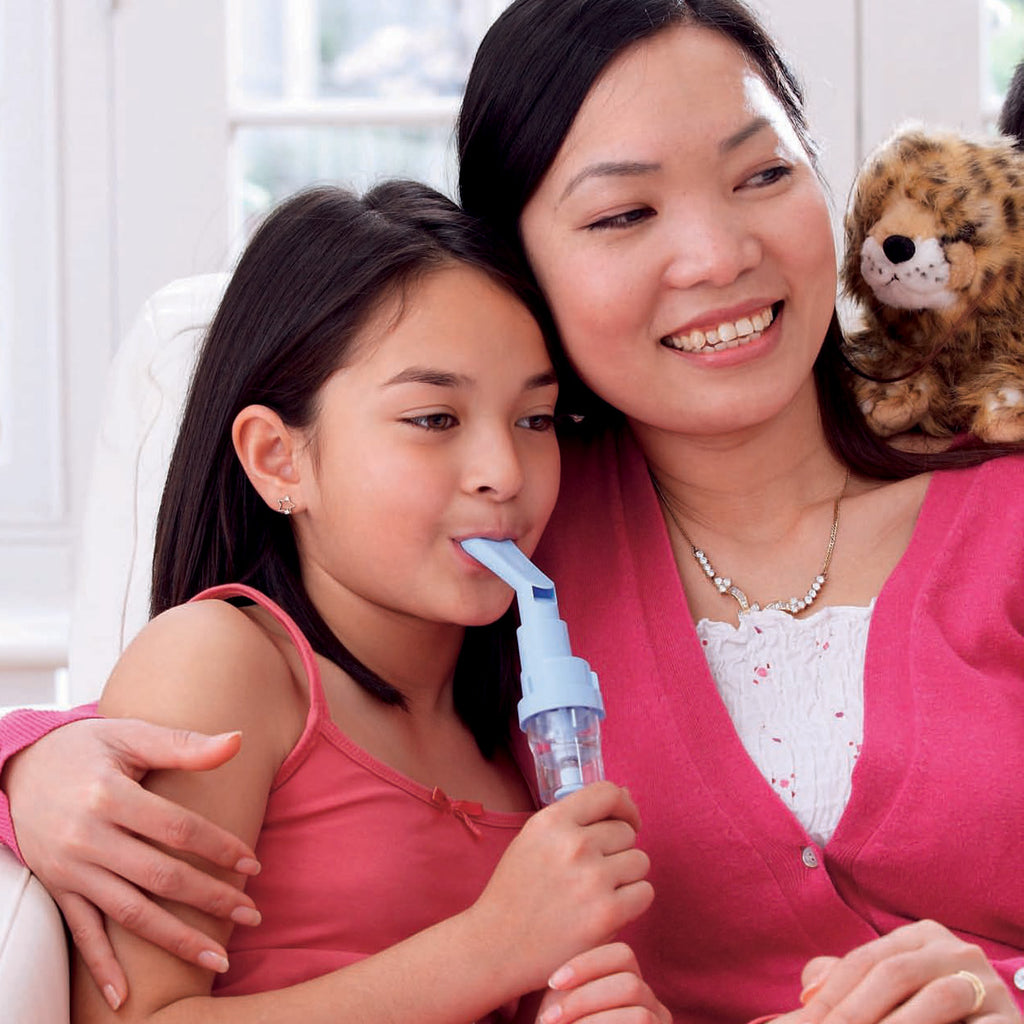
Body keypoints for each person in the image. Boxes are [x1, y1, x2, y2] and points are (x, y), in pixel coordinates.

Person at [2, 1, 1023, 1022]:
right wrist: (29, 760)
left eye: (763, 174)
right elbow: (297, 672)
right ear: (521, 278)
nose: (717, 255)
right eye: (623, 214)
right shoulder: (503, 549)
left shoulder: (1001, 501)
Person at [35, 179, 668, 1024]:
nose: (505, 473)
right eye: (435, 418)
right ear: (278, 459)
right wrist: (490, 948)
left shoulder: (503, 736)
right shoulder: (223, 665)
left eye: (536, 419)